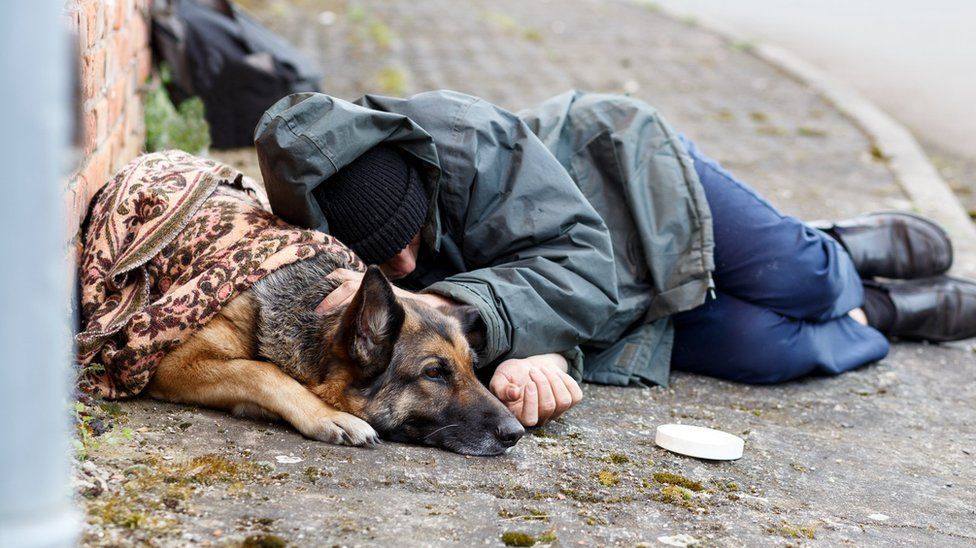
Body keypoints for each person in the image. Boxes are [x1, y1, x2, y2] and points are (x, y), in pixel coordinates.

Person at [254, 90, 976, 428]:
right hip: (592, 306)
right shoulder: (333, 245)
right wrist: (537, 359)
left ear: (418, 177)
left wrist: (454, 311)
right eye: (386, 256)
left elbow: (581, 259)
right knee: (772, 350)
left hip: (632, 192)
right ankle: (881, 309)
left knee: (805, 280)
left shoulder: (464, 136)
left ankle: (839, 250)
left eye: (413, 235)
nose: (407, 267)